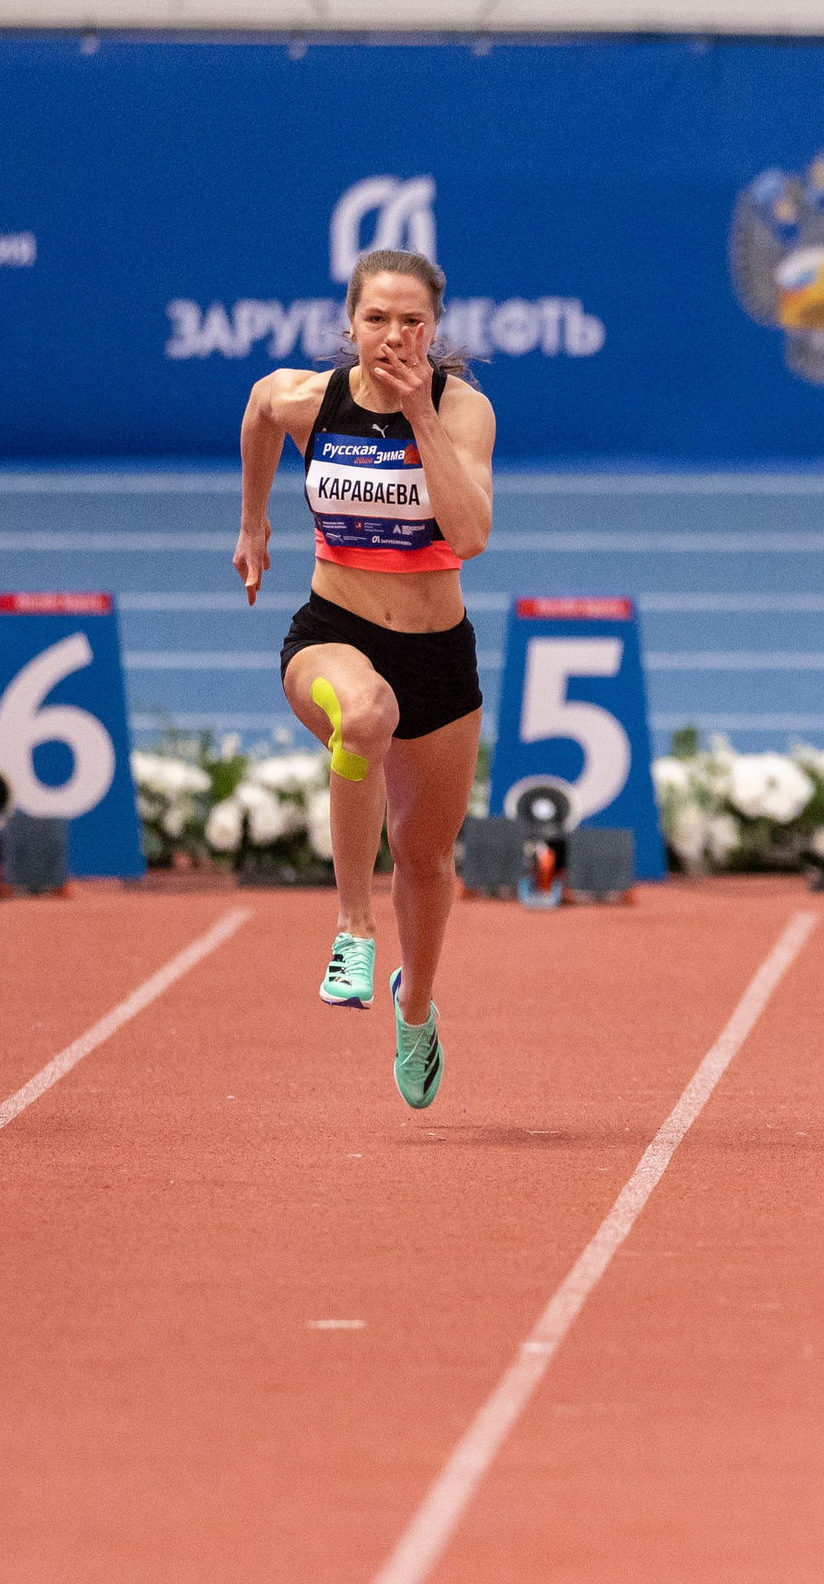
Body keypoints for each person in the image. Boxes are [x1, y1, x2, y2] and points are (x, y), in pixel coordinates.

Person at [232, 250, 495, 1110]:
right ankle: (351, 927)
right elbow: (261, 409)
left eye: (412, 321)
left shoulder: (464, 412)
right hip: (332, 634)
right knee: (365, 717)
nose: (394, 336)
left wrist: (421, 413)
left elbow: (470, 533)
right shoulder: (311, 398)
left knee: (425, 857)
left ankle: (414, 1005)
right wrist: (255, 522)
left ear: (434, 330)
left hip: (438, 654)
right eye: (377, 319)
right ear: (348, 324)